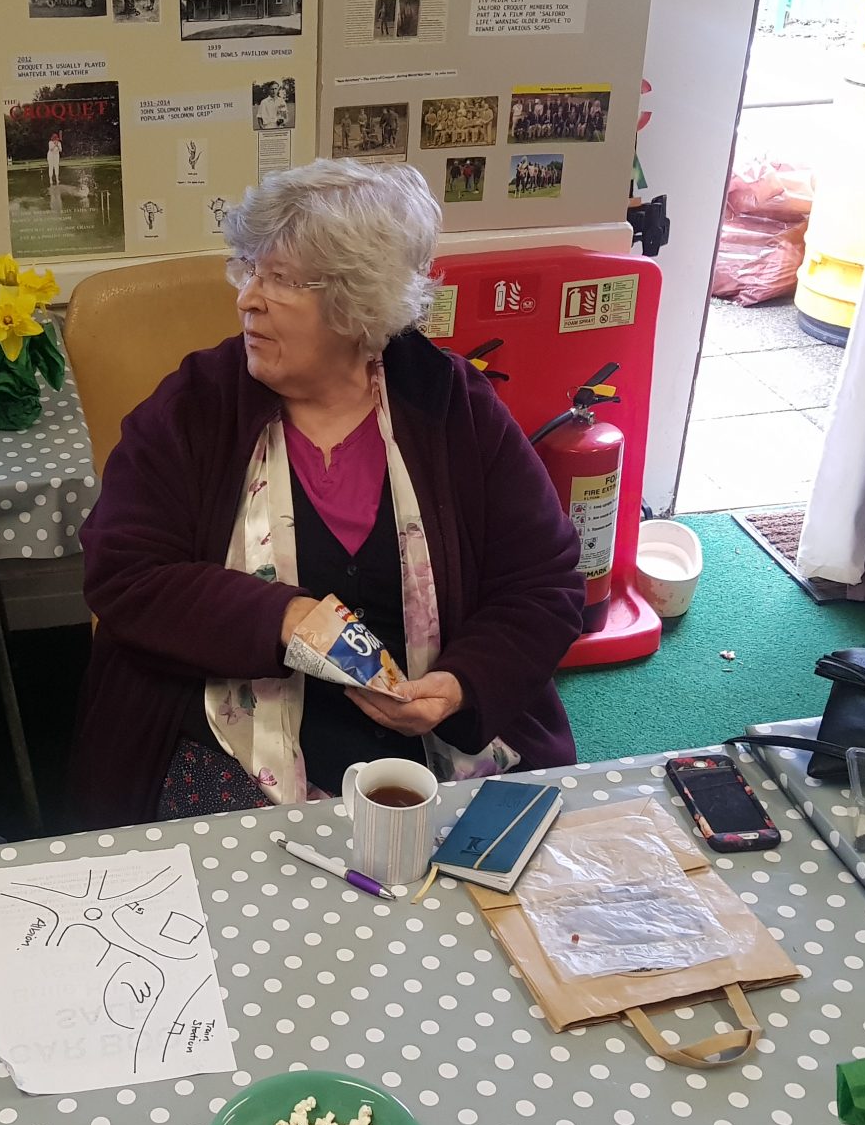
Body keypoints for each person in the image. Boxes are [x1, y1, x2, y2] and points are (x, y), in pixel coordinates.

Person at [72, 159, 585, 825]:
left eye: (279, 280)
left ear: (355, 302)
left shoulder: (451, 408)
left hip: (430, 742)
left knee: (470, 901)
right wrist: (287, 620)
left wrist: (459, 686)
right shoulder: (196, 407)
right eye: (249, 269)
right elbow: (123, 574)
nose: (247, 298)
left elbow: (544, 586)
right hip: (224, 736)